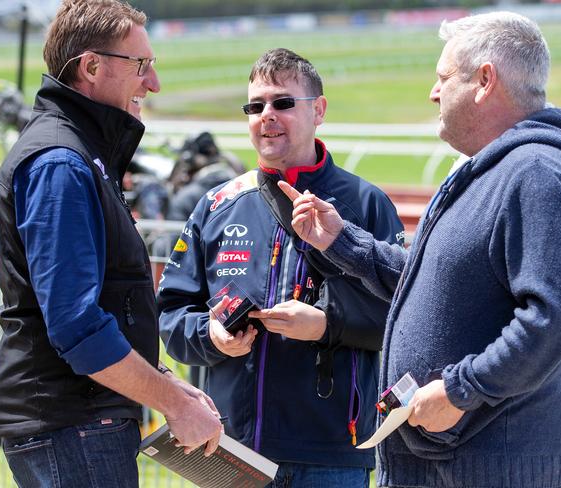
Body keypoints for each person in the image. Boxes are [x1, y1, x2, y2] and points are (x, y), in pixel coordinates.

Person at [279, 12, 561, 488]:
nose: (433, 93)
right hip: (447, 466)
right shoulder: (489, 169)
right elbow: (430, 284)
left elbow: (556, 317)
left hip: (491, 470)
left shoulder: (537, 173)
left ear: (484, 80)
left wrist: (460, 391)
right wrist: (341, 242)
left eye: (442, 78)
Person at [0, 1, 221, 486]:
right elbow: (76, 325)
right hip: (73, 424)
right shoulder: (61, 162)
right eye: (142, 65)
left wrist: (162, 378)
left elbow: (107, 307)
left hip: (78, 420)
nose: (153, 83)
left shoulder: (79, 152)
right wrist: (173, 402)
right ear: (91, 67)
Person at [158, 48, 405, 487]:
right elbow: (171, 315)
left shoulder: (366, 204)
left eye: (282, 102)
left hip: (330, 453)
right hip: (230, 449)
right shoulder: (217, 205)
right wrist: (210, 336)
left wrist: (327, 326)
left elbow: (400, 317)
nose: (266, 115)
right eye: (255, 106)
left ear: (319, 110)